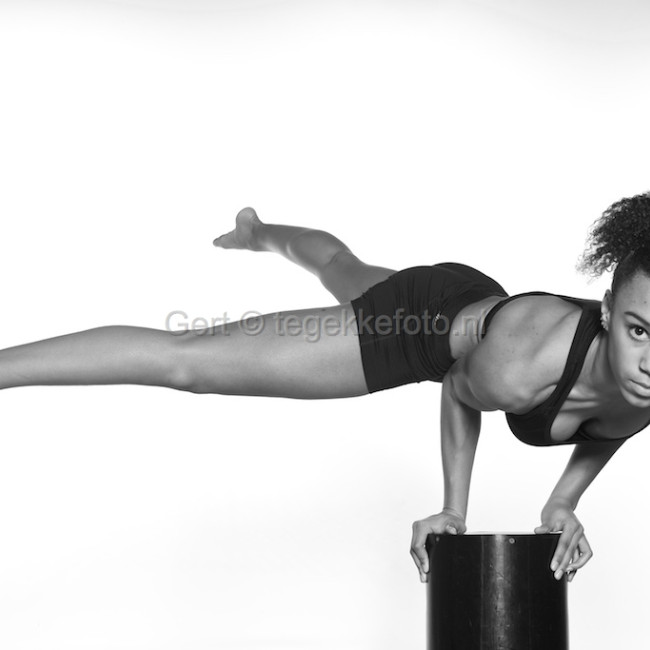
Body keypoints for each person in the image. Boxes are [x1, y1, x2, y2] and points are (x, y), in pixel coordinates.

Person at [3, 194, 650, 585]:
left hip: (475, 303)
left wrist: (561, 503)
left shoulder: (641, 390)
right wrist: (453, 510)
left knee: (344, 268)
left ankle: (257, 230)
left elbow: (609, 427)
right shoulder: (522, 364)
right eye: (638, 330)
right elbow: (458, 388)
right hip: (418, 324)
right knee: (190, 363)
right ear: (605, 307)